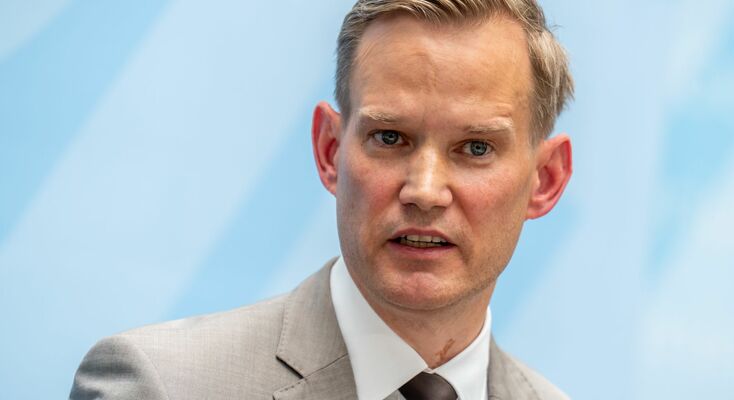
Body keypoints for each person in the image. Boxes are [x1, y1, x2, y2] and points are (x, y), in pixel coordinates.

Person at [69, 0, 574, 399]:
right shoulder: (162, 387)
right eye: (390, 137)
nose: (424, 190)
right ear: (330, 150)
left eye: (476, 148)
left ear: (545, 180)